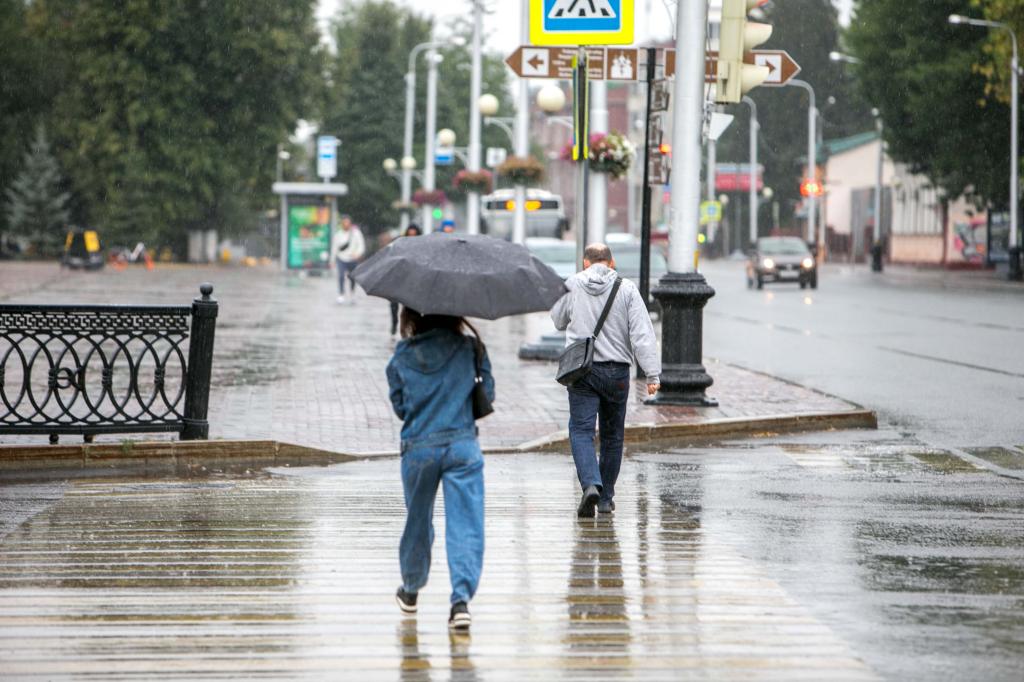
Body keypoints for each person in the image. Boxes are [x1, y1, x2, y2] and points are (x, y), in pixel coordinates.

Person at [386, 307, 494, 632]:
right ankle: (460, 601)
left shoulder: (403, 354)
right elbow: (487, 394)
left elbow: (401, 406)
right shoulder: (471, 347)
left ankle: (411, 588)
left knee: (418, 521)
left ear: (412, 316)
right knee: (465, 523)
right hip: (463, 446)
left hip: (419, 448)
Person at [551, 242, 661, 518]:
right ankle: (605, 498)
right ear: (611, 263)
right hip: (617, 373)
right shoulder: (627, 289)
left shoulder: (573, 284)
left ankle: (591, 484)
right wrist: (652, 374)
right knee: (613, 436)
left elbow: (557, 319)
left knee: (581, 430)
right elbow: (642, 334)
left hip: (582, 371)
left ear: (586, 263)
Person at [389, 224, 422, 336]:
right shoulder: (400, 243)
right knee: (394, 303)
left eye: (414, 234)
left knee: (409, 306)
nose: (412, 236)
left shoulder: (421, 245)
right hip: (398, 276)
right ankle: (394, 323)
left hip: (412, 279)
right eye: (410, 234)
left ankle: (407, 329)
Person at [333, 215, 365, 304]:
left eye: (347, 222)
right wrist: (332, 260)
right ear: (342, 224)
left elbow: (361, 245)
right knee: (340, 276)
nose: (346, 224)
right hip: (341, 258)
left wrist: (358, 254)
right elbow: (334, 247)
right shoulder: (338, 234)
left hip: (352, 259)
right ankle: (341, 294)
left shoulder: (356, 233)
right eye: (344, 222)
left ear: (350, 223)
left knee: (352, 277)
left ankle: (352, 293)